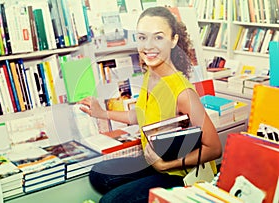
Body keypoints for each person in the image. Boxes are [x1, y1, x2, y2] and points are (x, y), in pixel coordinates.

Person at [78, 6, 222, 203]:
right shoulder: (151, 75)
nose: (148, 46)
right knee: (99, 175)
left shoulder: (183, 93)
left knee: (109, 201)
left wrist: (165, 166)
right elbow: (139, 115)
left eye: (158, 37)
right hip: (154, 159)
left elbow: (214, 148)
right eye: (143, 37)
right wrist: (101, 113)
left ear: (174, 41)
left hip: (180, 173)